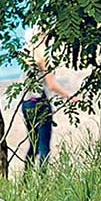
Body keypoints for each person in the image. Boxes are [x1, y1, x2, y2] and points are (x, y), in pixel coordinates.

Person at [21, 29, 71, 165]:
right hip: (40, 103)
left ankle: (26, 175)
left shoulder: (26, 58)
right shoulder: (44, 59)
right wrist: (69, 96)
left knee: (33, 144)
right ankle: (43, 177)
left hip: (26, 103)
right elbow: (51, 84)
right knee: (44, 147)